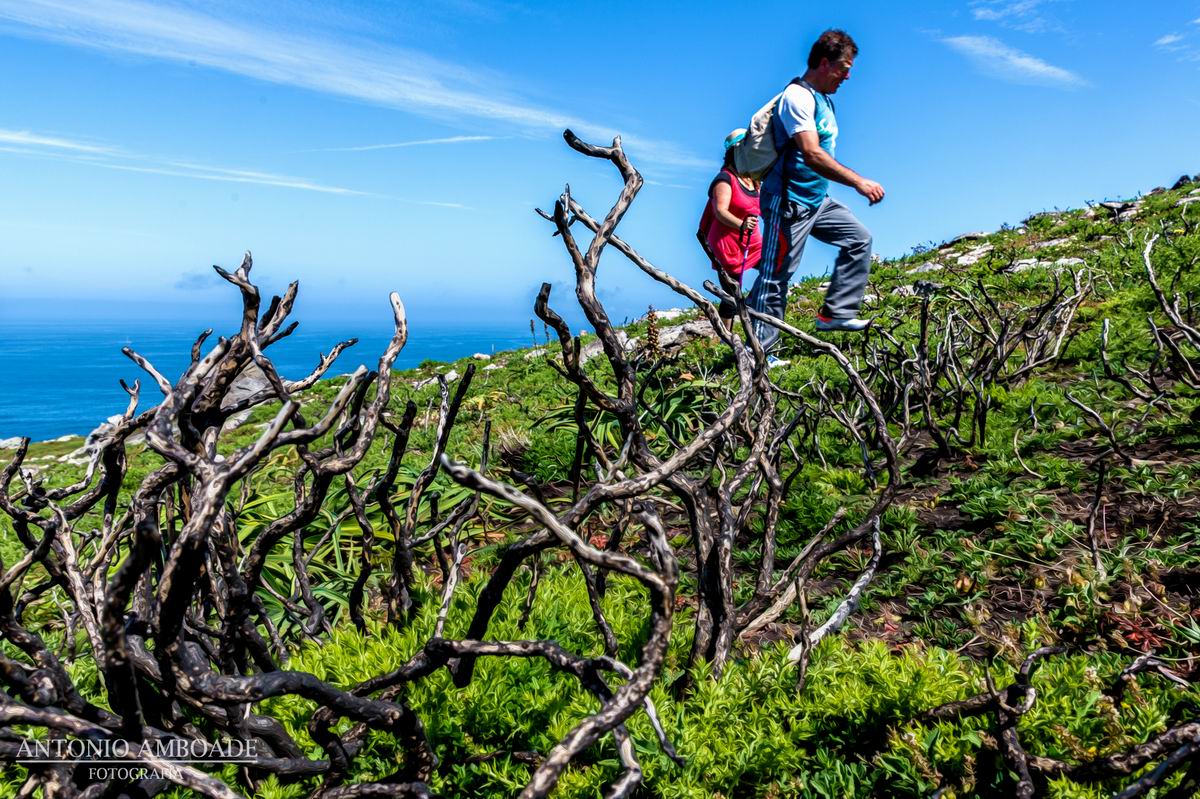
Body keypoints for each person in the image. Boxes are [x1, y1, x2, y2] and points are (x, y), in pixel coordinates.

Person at [745, 28, 885, 354]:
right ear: (825, 63)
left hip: (816, 200)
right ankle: (760, 355)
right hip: (787, 202)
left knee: (859, 238)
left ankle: (834, 315)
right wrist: (859, 182)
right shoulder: (797, 97)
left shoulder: (825, 101)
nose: (847, 77)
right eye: (845, 69)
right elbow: (811, 153)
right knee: (775, 276)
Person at [700, 129, 762, 330]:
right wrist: (741, 224)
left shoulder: (754, 178)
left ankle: (752, 302)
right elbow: (720, 211)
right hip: (728, 246)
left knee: (776, 267)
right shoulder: (725, 178)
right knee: (731, 297)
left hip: (753, 243)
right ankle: (726, 339)